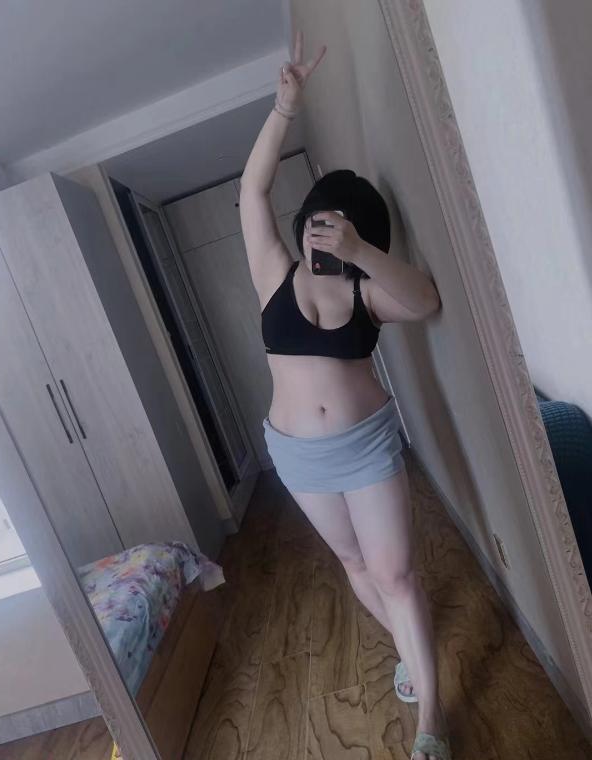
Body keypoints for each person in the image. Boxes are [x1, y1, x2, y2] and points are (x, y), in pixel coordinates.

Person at [239, 30, 450, 760]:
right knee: (358, 567)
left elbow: (426, 302)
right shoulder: (273, 273)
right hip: (297, 457)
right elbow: (251, 191)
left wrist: (361, 252)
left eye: (341, 228)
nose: (322, 235)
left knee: (396, 573)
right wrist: (283, 109)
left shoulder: (369, 292)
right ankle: (415, 658)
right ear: (304, 224)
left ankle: (431, 723)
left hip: (365, 448)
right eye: (319, 222)